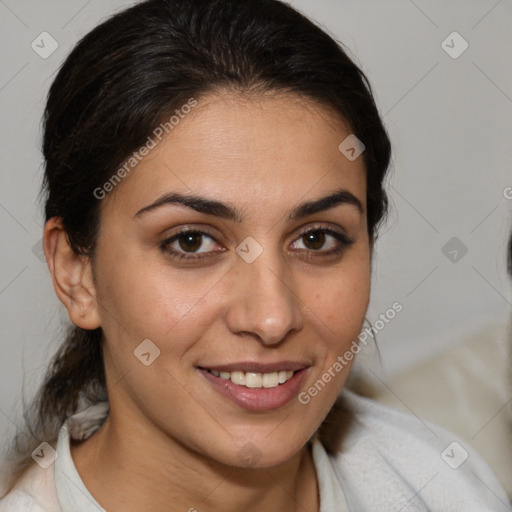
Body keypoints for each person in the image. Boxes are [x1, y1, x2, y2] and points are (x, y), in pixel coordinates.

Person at [0, 0, 508, 510]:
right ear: (75, 273)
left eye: (316, 239)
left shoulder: (442, 485)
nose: (271, 318)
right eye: (191, 241)